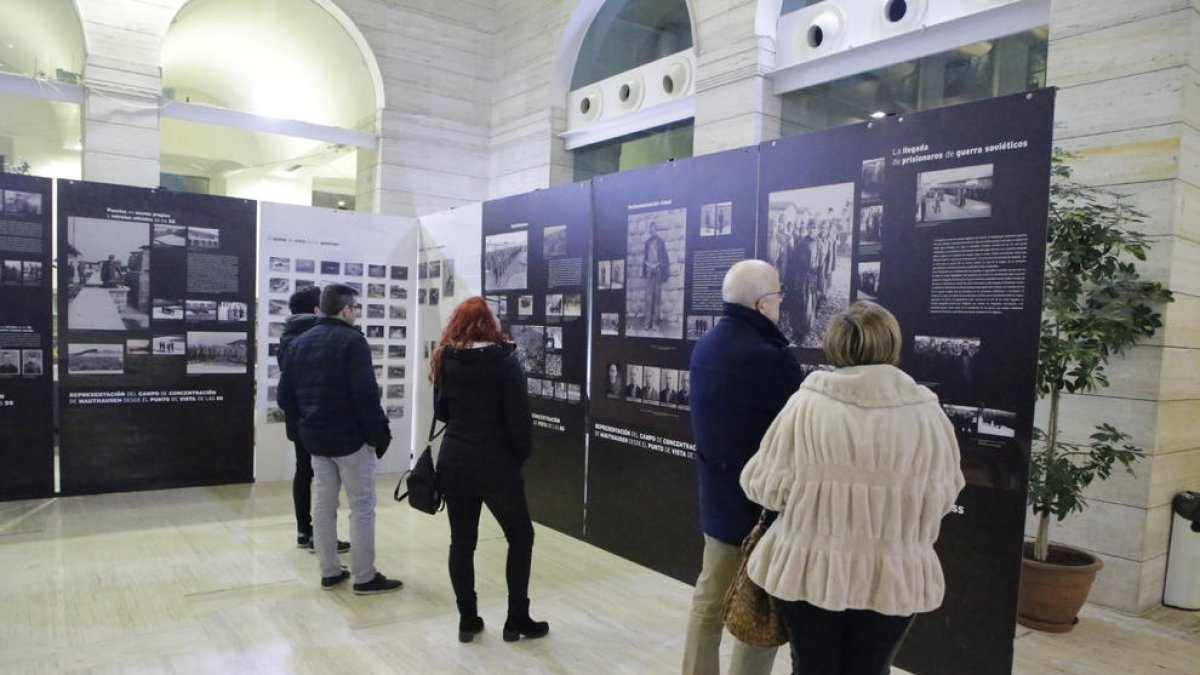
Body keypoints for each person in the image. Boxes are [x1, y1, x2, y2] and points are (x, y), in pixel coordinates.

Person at [740, 301, 965, 675]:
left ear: (836, 345)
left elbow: (763, 488)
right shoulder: (928, 413)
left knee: (812, 667)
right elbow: (943, 495)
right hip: (892, 570)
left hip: (810, 566)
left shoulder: (807, 405)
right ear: (891, 343)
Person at [683, 259, 803, 675]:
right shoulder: (769, 358)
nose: (781, 303)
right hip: (761, 510)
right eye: (777, 295)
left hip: (718, 500)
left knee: (710, 599)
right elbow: (796, 433)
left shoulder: (707, 345)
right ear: (762, 303)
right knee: (761, 612)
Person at [431, 296, 549, 644]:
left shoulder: (446, 358)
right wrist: (519, 455)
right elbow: (519, 419)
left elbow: (442, 412)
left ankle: (467, 619)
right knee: (521, 537)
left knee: (462, 542)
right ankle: (516, 619)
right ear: (488, 324)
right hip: (496, 464)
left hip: (456, 461)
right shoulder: (504, 362)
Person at [277, 284, 400, 595]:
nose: (356, 313)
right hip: (350, 440)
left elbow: (284, 398)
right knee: (361, 506)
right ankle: (364, 576)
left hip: (316, 440)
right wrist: (379, 435)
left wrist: (306, 422)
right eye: (355, 308)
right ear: (345, 309)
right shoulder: (352, 341)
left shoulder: (299, 342)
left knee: (323, 504)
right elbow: (366, 396)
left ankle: (330, 570)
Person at [277, 285, 349, 555]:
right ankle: (321, 537)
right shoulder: (316, 336)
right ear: (316, 308)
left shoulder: (288, 336)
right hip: (319, 416)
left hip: (297, 417)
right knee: (324, 477)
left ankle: (304, 530)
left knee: (303, 471)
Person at [642, 221, 669, 330]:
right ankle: (647, 323)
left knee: (657, 299)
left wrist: (658, 265)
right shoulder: (647, 243)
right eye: (651, 229)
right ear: (650, 230)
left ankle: (655, 323)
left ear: (656, 230)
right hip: (649, 272)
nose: (653, 231)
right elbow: (645, 258)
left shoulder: (661, 242)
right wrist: (647, 265)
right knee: (648, 299)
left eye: (655, 228)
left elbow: (664, 259)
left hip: (657, 272)